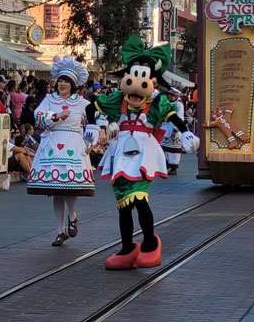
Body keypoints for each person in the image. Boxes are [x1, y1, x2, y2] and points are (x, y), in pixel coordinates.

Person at [84, 35, 199, 269]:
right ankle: (127, 247)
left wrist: (186, 133)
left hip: (143, 154)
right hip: (119, 154)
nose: (136, 85)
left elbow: (174, 118)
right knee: (123, 204)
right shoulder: (118, 99)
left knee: (139, 199)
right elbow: (90, 106)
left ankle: (149, 242)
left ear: (153, 82)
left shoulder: (156, 104)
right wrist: (93, 125)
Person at [26, 56, 94, 246]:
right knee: (56, 190)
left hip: (72, 145)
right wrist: (56, 115)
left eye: (67, 82)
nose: (63, 84)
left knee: (69, 186)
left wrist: (96, 137)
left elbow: (95, 120)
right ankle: (59, 231)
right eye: (61, 81)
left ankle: (72, 217)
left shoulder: (81, 103)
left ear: (73, 84)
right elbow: (38, 118)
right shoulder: (49, 99)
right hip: (52, 145)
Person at [160, 87, 184, 175]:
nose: (168, 97)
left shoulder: (178, 105)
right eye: (167, 95)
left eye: (169, 95)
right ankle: (164, 166)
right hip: (164, 128)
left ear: (174, 96)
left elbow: (179, 117)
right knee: (162, 148)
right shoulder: (166, 104)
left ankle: (173, 168)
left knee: (173, 150)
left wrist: (175, 130)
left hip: (173, 128)